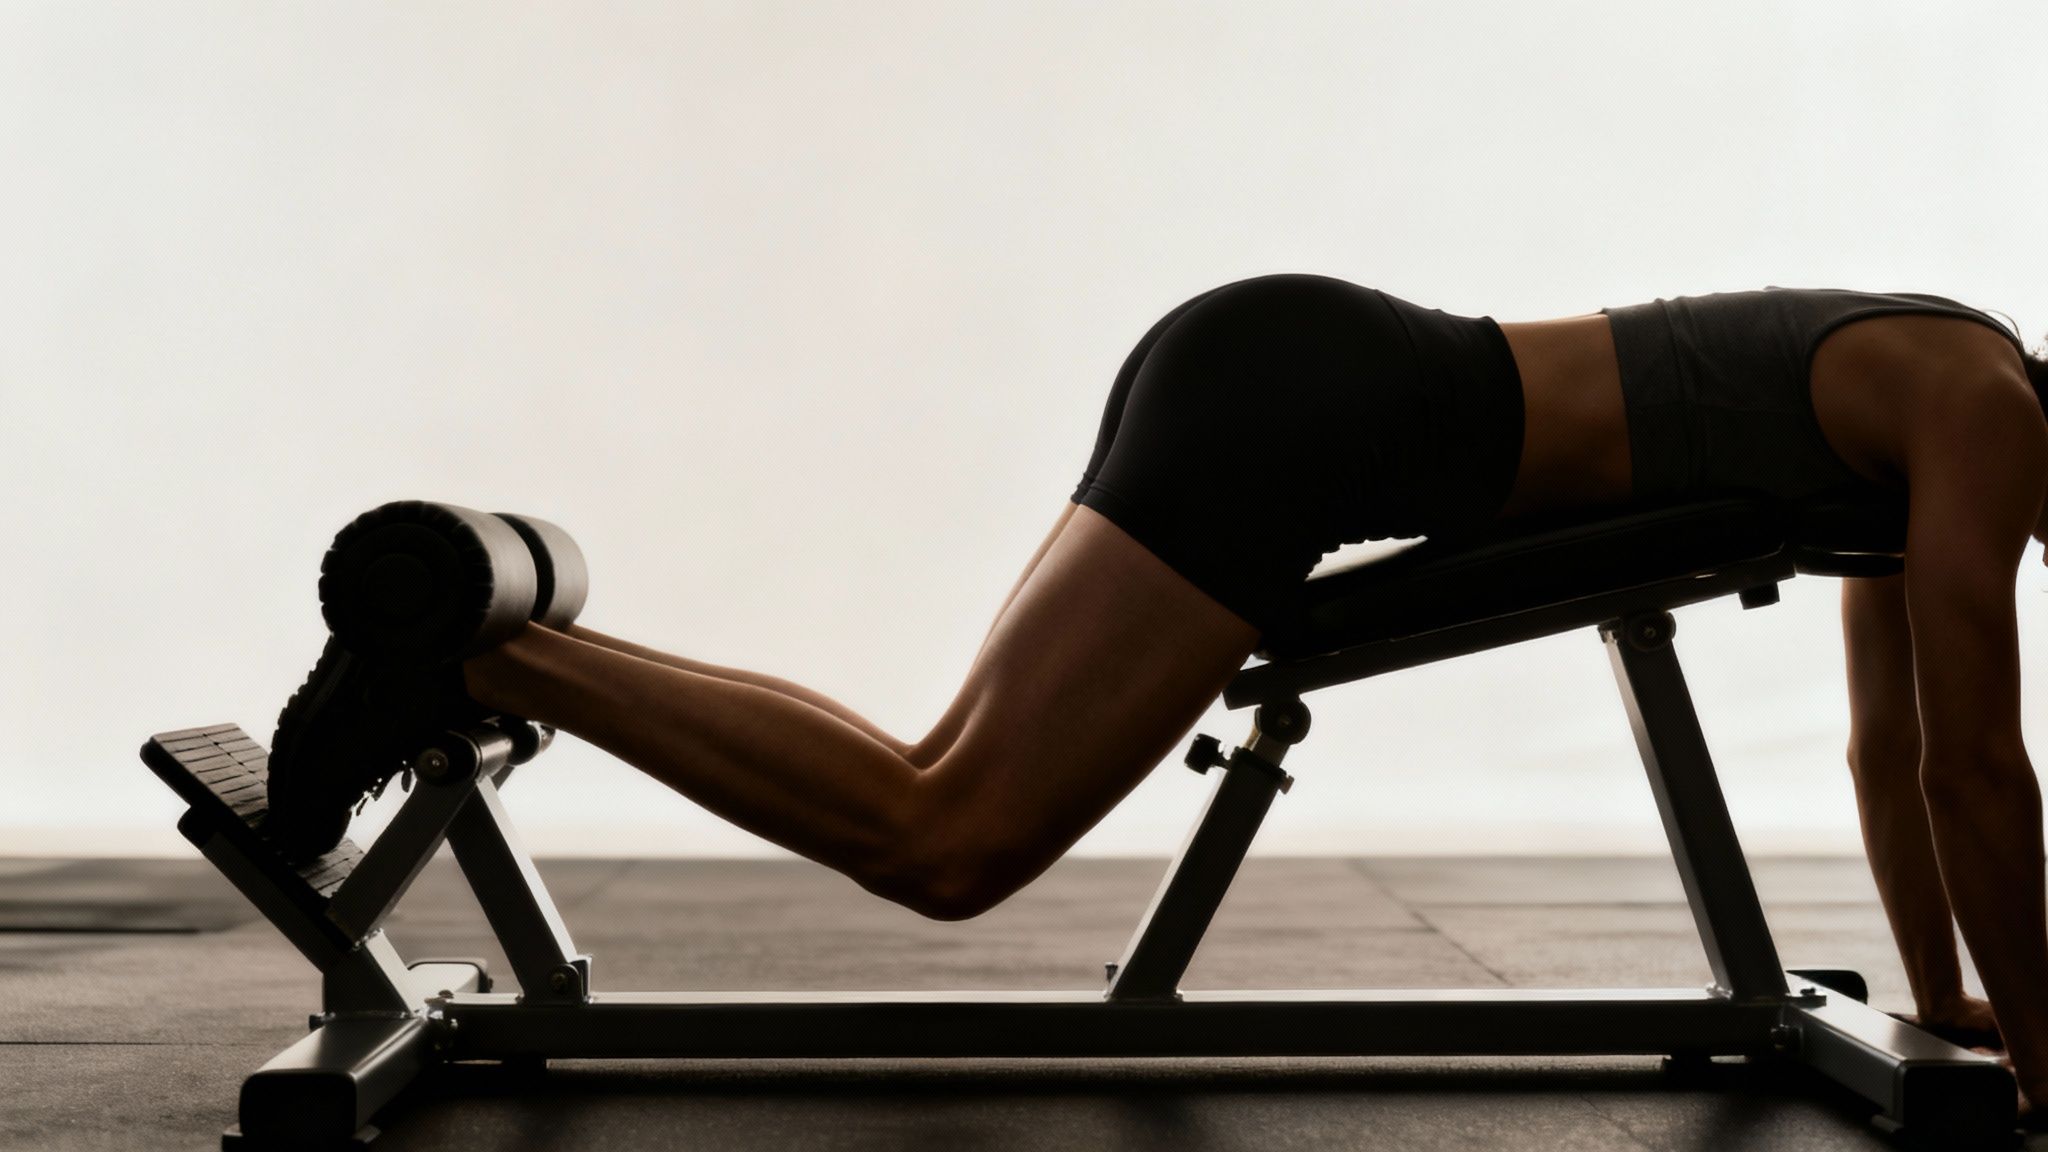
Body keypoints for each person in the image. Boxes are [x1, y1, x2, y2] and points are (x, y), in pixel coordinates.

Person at [266, 273, 2048, 1112]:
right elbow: (1981, 757)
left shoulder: (1941, 379)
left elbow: (1894, 740)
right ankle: (481, 654)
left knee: (933, 777)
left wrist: (1958, 1002)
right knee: (949, 841)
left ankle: (495, 653)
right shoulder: (1984, 414)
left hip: (1275, 361)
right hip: (1312, 423)